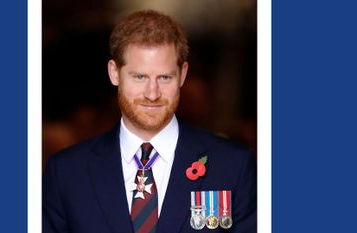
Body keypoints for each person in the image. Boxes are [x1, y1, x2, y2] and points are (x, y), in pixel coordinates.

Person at [43, 10, 256, 233]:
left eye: (164, 77)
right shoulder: (67, 173)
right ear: (114, 73)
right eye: (140, 77)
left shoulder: (233, 167)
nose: (152, 93)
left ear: (182, 75)